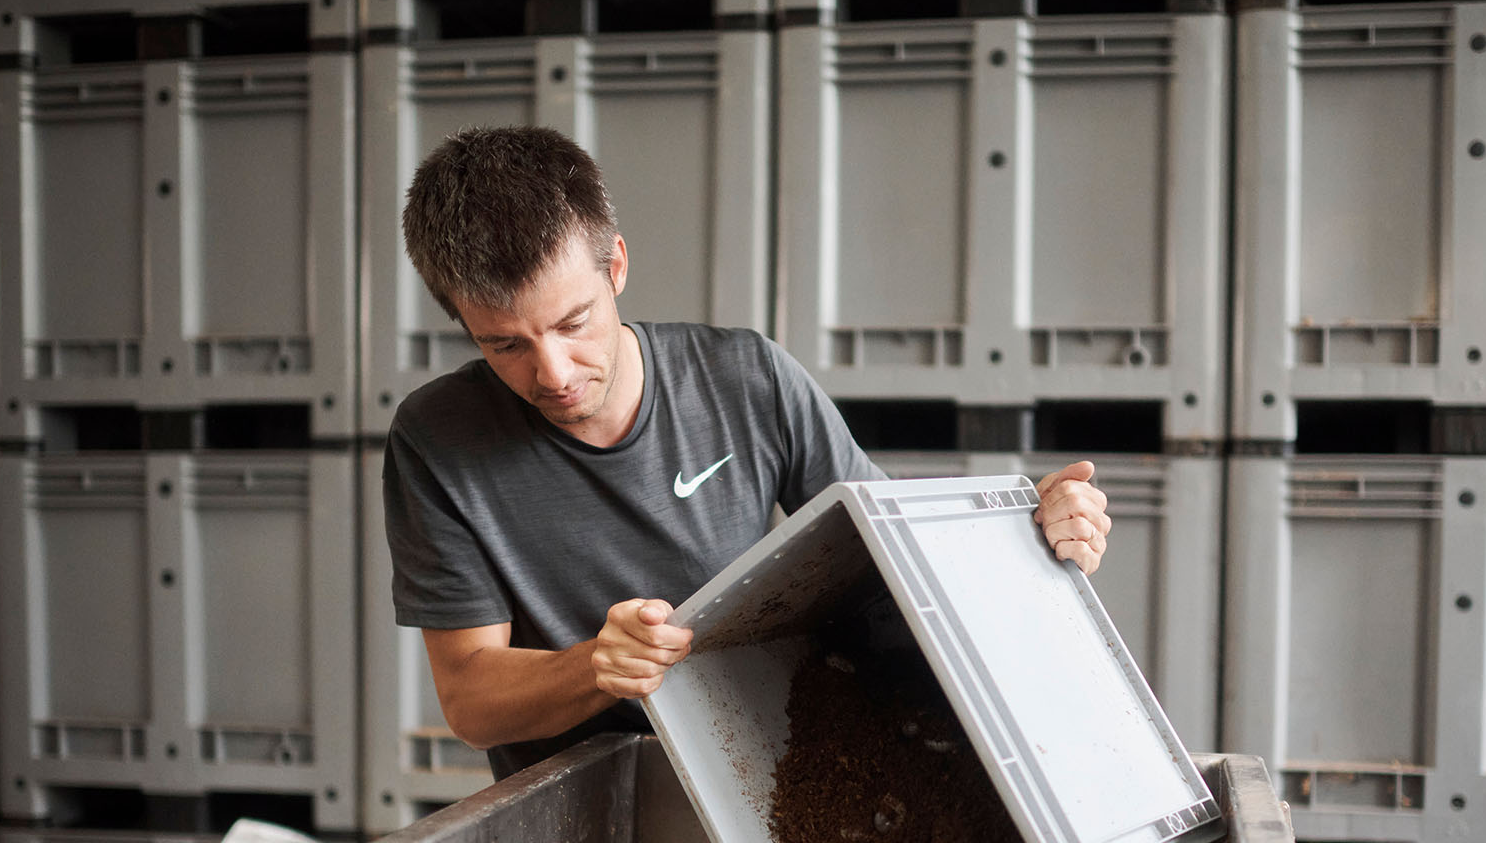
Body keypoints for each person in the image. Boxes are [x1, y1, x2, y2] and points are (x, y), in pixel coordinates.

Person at [384, 126, 1112, 778]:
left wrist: (1031, 530)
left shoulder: (746, 378)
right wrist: (595, 668)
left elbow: (898, 562)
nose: (554, 373)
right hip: (584, 799)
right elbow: (471, 699)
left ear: (616, 268)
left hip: (770, 766)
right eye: (504, 344)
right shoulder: (437, 439)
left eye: (574, 322)